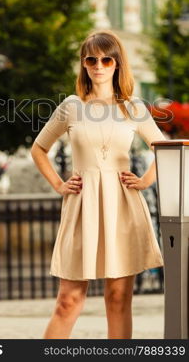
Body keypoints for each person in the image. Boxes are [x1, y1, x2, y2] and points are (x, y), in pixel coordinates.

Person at [31, 29, 165, 339]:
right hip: (82, 208)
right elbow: (39, 149)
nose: (99, 65)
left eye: (106, 59)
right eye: (91, 59)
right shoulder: (70, 106)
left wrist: (145, 181)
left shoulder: (133, 107)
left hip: (123, 208)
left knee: (118, 300)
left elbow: (165, 149)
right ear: (84, 64)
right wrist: (58, 184)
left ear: (117, 64)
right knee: (68, 301)